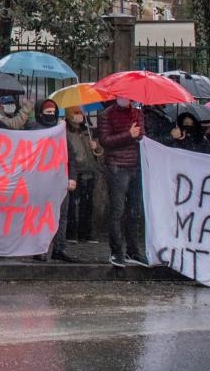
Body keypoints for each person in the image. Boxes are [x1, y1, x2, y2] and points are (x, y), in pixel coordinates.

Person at [98, 94, 150, 269]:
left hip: (136, 166)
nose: (125, 98)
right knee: (117, 210)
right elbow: (105, 141)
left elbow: (142, 136)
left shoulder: (138, 113)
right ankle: (116, 251)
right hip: (116, 166)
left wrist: (136, 134)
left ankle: (133, 250)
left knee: (135, 211)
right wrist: (128, 135)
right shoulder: (106, 115)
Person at [22, 99, 77, 264]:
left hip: (58, 179)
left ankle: (59, 248)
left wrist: (71, 177)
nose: (50, 116)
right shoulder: (32, 129)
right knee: (41, 215)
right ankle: (40, 249)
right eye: (47, 113)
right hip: (40, 180)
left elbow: (71, 156)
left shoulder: (61, 131)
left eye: (53, 113)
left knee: (61, 215)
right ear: (40, 114)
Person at [64, 108, 101, 243]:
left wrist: (96, 147)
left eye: (80, 112)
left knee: (88, 204)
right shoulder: (65, 131)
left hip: (89, 170)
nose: (78, 116)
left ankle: (85, 233)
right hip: (76, 171)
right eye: (75, 112)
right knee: (73, 205)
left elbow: (99, 152)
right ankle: (71, 233)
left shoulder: (88, 130)